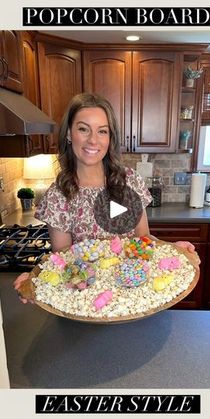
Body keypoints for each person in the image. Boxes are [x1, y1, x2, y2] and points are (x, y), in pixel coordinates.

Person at [14, 92, 197, 300]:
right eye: (83, 129)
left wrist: (174, 250)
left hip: (132, 297)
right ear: (68, 134)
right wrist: (38, 282)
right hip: (85, 303)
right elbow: (62, 262)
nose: (93, 140)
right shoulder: (59, 195)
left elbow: (143, 241)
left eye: (102, 131)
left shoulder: (129, 181)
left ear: (110, 138)